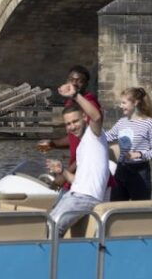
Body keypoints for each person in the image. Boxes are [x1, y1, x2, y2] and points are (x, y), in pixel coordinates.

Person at [46, 82, 109, 236]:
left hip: (86, 198)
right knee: (47, 222)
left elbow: (97, 116)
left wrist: (75, 95)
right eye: (68, 124)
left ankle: (49, 259)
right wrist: (62, 171)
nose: (72, 127)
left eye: (75, 121)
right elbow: (79, 181)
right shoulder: (82, 146)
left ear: (84, 118)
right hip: (75, 194)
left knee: (53, 227)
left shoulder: (95, 135)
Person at [37, 65, 102, 188]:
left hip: (85, 167)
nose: (75, 84)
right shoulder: (70, 103)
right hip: (74, 164)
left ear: (86, 84)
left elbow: (89, 147)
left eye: (79, 81)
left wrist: (64, 175)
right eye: (72, 80)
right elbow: (73, 136)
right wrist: (53, 144)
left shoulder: (89, 104)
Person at [104, 87, 152, 201]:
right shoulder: (121, 122)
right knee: (116, 208)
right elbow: (107, 136)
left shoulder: (150, 123)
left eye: (124, 103)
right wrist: (90, 130)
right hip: (121, 170)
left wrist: (140, 154)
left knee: (140, 210)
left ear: (135, 103)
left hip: (140, 172)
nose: (121, 106)